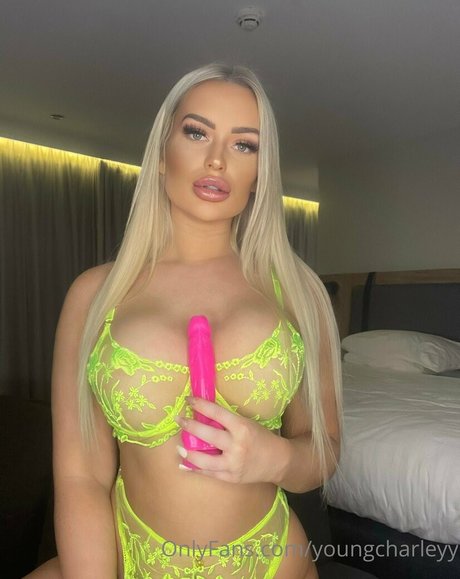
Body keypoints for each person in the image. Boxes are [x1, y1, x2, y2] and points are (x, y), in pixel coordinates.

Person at [26, 63, 342, 578]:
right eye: (197, 133)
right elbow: (81, 476)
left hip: (270, 563)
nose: (217, 159)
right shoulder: (95, 296)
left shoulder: (299, 292)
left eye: (245, 145)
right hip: (127, 561)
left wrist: (275, 459)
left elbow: (323, 449)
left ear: (261, 171)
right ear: (161, 151)